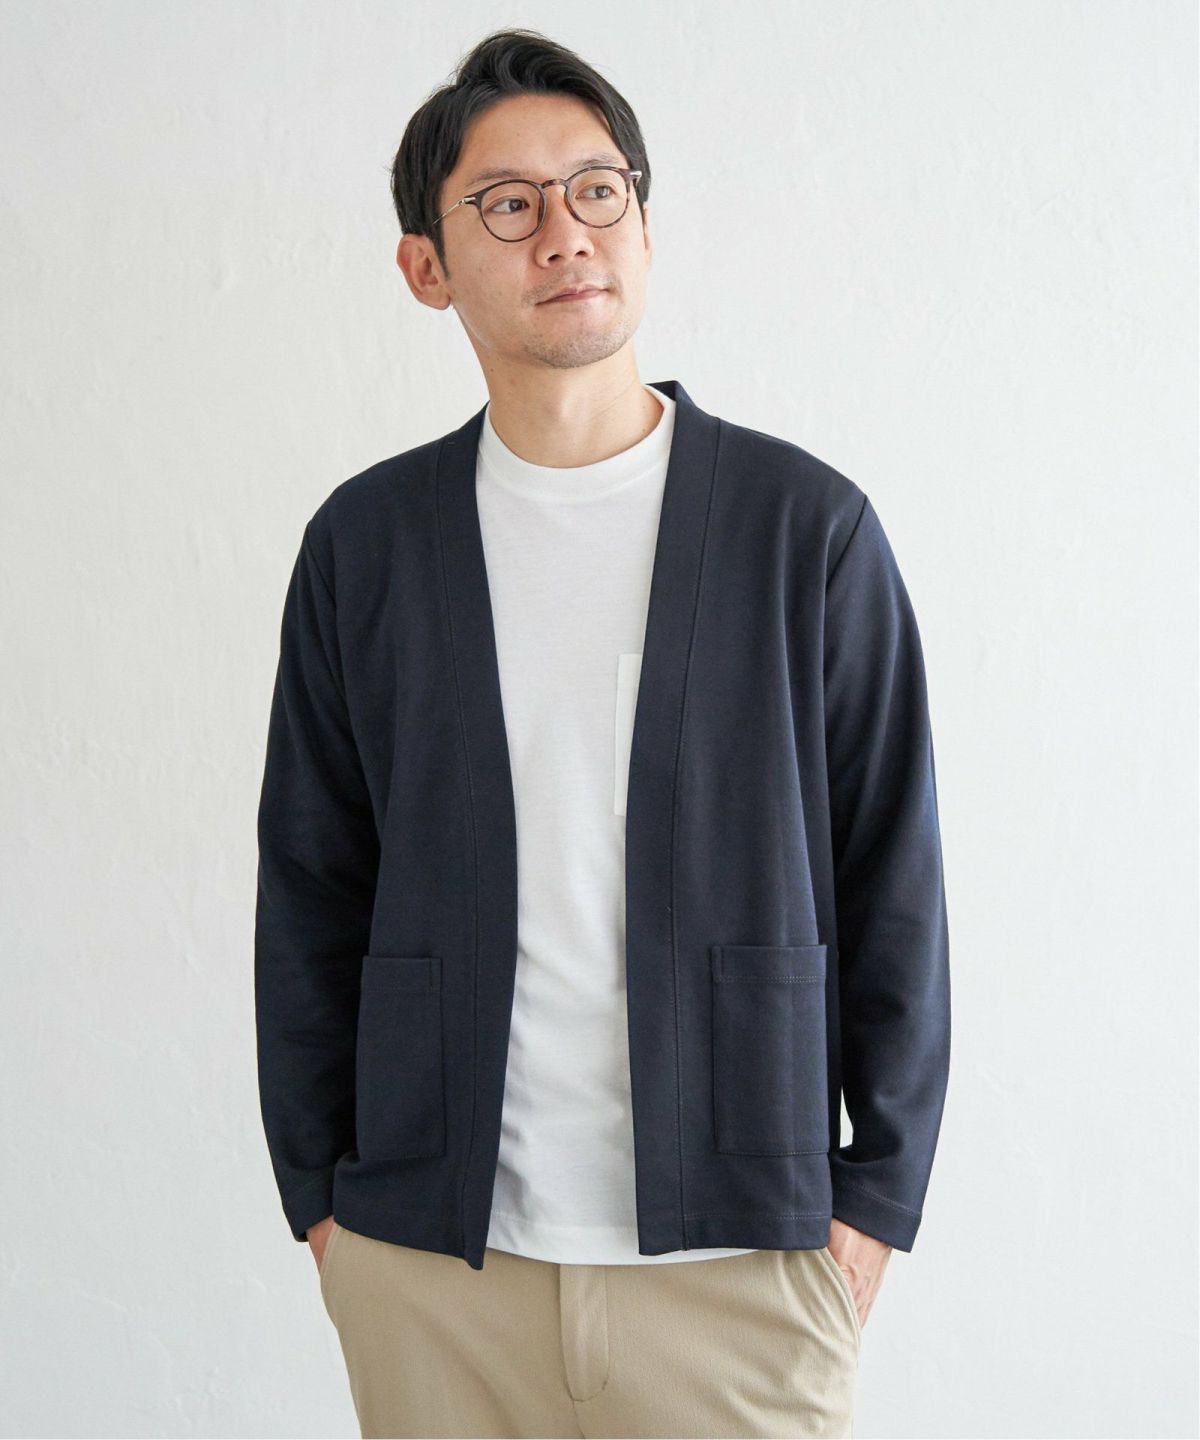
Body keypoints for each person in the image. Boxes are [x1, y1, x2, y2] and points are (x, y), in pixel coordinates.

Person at [254, 26, 951, 1440]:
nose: (563, 231)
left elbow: (895, 879)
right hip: (435, 1268)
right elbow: (311, 883)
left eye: (596, 189)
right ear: (427, 266)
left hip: (741, 1268)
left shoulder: (802, 533)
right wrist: (327, 1208)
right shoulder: (367, 546)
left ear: (642, 221)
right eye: (507, 204)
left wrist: (870, 1205)